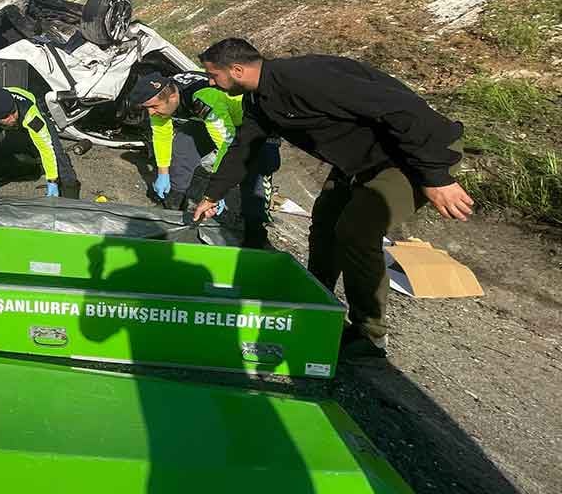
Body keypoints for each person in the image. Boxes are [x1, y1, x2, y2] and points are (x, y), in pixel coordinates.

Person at [190, 38, 472, 363]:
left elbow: (401, 108)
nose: (210, 82)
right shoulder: (259, 101)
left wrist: (436, 176)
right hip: (362, 162)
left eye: (213, 75)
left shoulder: (307, 78)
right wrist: (212, 194)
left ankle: (369, 335)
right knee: (325, 221)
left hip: (414, 156)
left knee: (356, 230)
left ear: (236, 70)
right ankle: (315, 303)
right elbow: (244, 148)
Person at [127, 71, 280, 248]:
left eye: (154, 107)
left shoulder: (204, 98)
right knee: (182, 145)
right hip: (217, 120)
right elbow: (162, 135)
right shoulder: (166, 92)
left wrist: (217, 191)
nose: (151, 113)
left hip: (255, 123)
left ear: (173, 96)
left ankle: (257, 234)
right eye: (147, 108)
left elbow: (228, 145)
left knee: (257, 174)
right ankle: (173, 206)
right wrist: (163, 172)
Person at [0, 86, 80, 199]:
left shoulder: (30, 114)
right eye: (6, 116)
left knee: (55, 149)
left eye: (13, 111)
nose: (12, 118)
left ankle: (70, 189)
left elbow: (45, 146)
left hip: (27, 110)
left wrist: (52, 180)